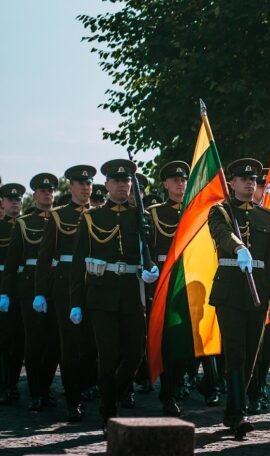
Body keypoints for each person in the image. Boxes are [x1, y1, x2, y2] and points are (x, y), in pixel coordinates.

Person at [69, 159, 159, 431]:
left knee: (135, 353)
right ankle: (108, 412)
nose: (123, 185)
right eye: (117, 181)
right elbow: (78, 262)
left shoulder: (140, 217)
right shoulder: (92, 217)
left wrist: (151, 269)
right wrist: (76, 302)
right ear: (106, 185)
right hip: (101, 295)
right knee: (107, 355)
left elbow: (148, 255)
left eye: (127, 181)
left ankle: (115, 393)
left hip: (132, 292)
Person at [208, 158, 270, 438]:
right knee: (236, 352)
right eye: (244, 179)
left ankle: (232, 409)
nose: (250, 183)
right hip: (229, 291)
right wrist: (238, 247)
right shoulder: (221, 212)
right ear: (232, 183)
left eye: (254, 179)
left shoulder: (267, 216)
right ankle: (238, 414)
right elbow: (221, 234)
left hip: (258, 291)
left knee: (251, 354)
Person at [34, 165, 97, 421]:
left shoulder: (100, 215)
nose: (85, 188)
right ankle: (73, 400)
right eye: (80, 183)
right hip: (64, 288)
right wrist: (40, 291)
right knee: (69, 346)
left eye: (89, 184)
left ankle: (88, 387)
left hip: (94, 283)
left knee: (91, 346)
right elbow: (44, 256)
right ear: (70, 187)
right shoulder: (58, 217)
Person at [0, 173, 60, 412]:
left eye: (51, 190)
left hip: (57, 286)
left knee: (54, 343)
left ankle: (45, 389)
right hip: (27, 289)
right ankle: (35, 391)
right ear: (35, 194)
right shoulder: (25, 224)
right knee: (32, 342)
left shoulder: (62, 219)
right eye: (43, 190)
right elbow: (13, 263)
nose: (48, 193)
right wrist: (5, 292)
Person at [146, 160, 190, 416]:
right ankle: (167, 392)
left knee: (184, 341)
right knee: (164, 340)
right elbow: (148, 248)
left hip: (188, 281)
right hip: (163, 279)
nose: (180, 183)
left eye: (183, 179)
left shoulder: (194, 210)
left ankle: (177, 384)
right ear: (165, 184)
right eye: (174, 179)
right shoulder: (154, 213)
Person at [248, 167, 270, 414]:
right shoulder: (239, 214)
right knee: (247, 346)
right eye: (260, 185)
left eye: (265, 186)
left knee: (268, 343)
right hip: (242, 289)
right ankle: (247, 389)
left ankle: (259, 386)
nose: (263, 190)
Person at [0, 183, 26, 405]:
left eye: (18, 199)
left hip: (22, 286)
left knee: (17, 339)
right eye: (10, 199)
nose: (15, 202)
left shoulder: (27, 225)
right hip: (2, 285)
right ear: (3, 203)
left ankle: (12, 383)